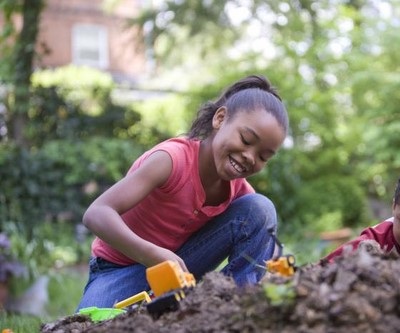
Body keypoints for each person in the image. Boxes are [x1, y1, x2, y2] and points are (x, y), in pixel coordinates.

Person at [76, 74, 289, 310]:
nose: (250, 157)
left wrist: (278, 268)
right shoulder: (171, 160)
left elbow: (263, 233)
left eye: (263, 156)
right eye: (247, 139)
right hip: (119, 271)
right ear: (220, 118)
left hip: (180, 269)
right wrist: (153, 256)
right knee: (86, 323)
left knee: (261, 208)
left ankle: (234, 308)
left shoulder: (236, 188)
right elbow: (96, 213)